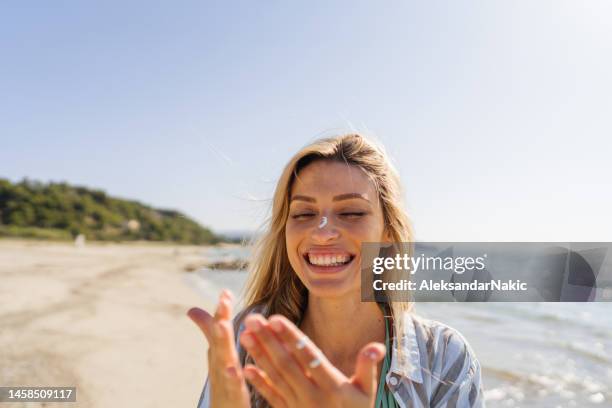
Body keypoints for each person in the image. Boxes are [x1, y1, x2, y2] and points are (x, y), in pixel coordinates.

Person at [188, 134, 485, 407]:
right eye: (304, 214)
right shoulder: (248, 337)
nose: (323, 232)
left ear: (388, 233)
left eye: (351, 212)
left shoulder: (445, 357)